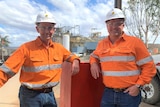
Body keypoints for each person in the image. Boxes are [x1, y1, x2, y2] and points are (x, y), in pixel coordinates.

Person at [0, 10, 80, 107]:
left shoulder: (59, 48)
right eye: (43, 28)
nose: (47, 31)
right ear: (37, 29)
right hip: (30, 97)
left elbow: (70, 56)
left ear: (54, 29)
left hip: (49, 94)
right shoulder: (26, 48)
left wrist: (75, 61)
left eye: (50, 28)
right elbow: (6, 71)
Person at [89, 8, 156, 107]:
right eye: (110, 24)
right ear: (106, 26)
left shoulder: (135, 43)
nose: (114, 27)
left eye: (117, 23)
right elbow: (93, 56)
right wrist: (93, 63)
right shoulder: (101, 44)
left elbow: (149, 67)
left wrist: (138, 85)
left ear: (123, 25)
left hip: (129, 94)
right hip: (108, 93)